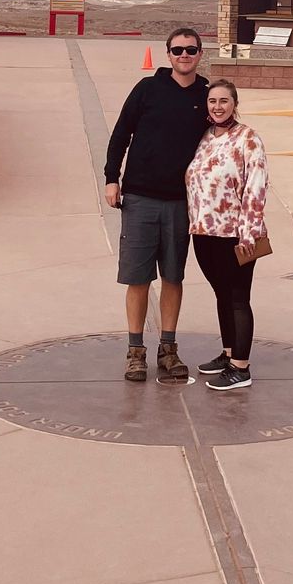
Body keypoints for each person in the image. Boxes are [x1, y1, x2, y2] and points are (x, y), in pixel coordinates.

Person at [104, 26, 209, 383]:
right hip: (141, 198)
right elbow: (121, 134)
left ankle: (168, 349)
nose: (184, 56)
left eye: (191, 50)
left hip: (182, 203)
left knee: (174, 277)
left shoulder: (206, 94)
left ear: (200, 54)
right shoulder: (147, 89)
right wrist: (111, 177)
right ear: (168, 55)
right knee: (137, 278)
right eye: (178, 50)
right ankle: (135, 352)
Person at [186, 78, 269, 392]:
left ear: (235, 103)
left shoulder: (247, 138)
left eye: (224, 101)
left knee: (237, 297)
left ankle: (241, 367)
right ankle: (229, 352)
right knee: (221, 294)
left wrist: (248, 231)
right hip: (204, 231)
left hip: (238, 233)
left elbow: (256, 187)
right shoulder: (205, 138)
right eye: (212, 101)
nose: (217, 107)